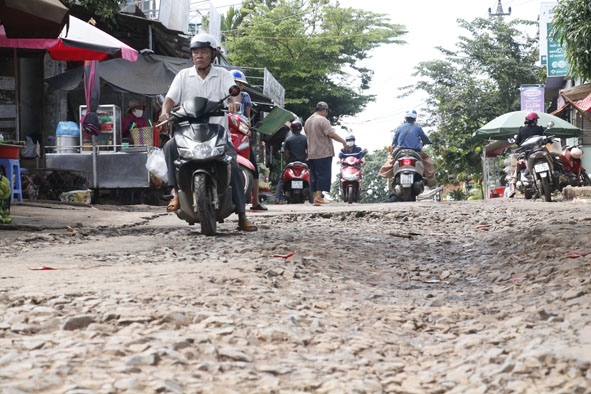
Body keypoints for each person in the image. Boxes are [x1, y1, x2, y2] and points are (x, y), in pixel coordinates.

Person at [157, 33, 257, 232]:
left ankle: (242, 217)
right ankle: (175, 193)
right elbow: (169, 98)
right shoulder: (183, 75)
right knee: (169, 148)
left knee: (234, 166)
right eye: (195, 52)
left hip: (217, 131)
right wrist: (164, 111)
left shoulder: (223, 75)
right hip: (188, 130)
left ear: (213, 54)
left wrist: (234, 105)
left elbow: (233, 95)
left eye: (203, 52)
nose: (199, 56)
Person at [229, 69, 266, 211]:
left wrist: (248, 128)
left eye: (241, 84)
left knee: (254, 169)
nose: (239, 86)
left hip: (241, 132)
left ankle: (255, 201)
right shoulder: (222, 95)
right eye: (236, 83)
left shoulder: (245, 97)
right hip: (225, 132)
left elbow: (247, 117)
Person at [304, 101, 346, 205]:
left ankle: (315, 197)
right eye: (327, 111)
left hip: (311, 153)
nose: (327, 113)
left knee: (314, 175)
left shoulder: (308, 121)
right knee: (323, 175)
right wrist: (343, 142)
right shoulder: (323, 120)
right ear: (324, 110)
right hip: (323, 152)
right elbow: (331, 134)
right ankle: (318, 197)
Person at [390, 110, 436, 187]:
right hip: (416, 152)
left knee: (390, 162)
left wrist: (394, 145)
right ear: (414, 119)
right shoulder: (418, 128)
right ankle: (430, 180)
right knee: (428, 163)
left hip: (401, 152)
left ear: (405, 118)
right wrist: (428, 142)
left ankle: (390, 178)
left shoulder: (400, 127)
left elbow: (394, 140)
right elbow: (424, 138)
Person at [275, 120, 307, 202]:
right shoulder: (305, 139)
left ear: (292, 129)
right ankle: (313, 198)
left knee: (281, 180)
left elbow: (286, 153)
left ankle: (277, 198)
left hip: (291, 163)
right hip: (303, 163)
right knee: (311, 177)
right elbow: (308, 152)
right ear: (300, 129)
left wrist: (287, 161)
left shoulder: (288, 139)